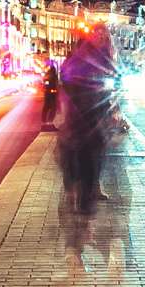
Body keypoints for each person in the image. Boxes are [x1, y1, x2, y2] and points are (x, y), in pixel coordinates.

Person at [55, 21, 118, 250]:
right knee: (81, 167)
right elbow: (68, 82)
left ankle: (84, 221)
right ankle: (79, 209)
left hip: (92, 121)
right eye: (97, 33)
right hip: (81, 121)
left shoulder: (104, 58)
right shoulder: (83, 58)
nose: (101, 36)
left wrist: (111, 108)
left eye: (104, 33)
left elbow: (112, 84)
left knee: (89, 168)